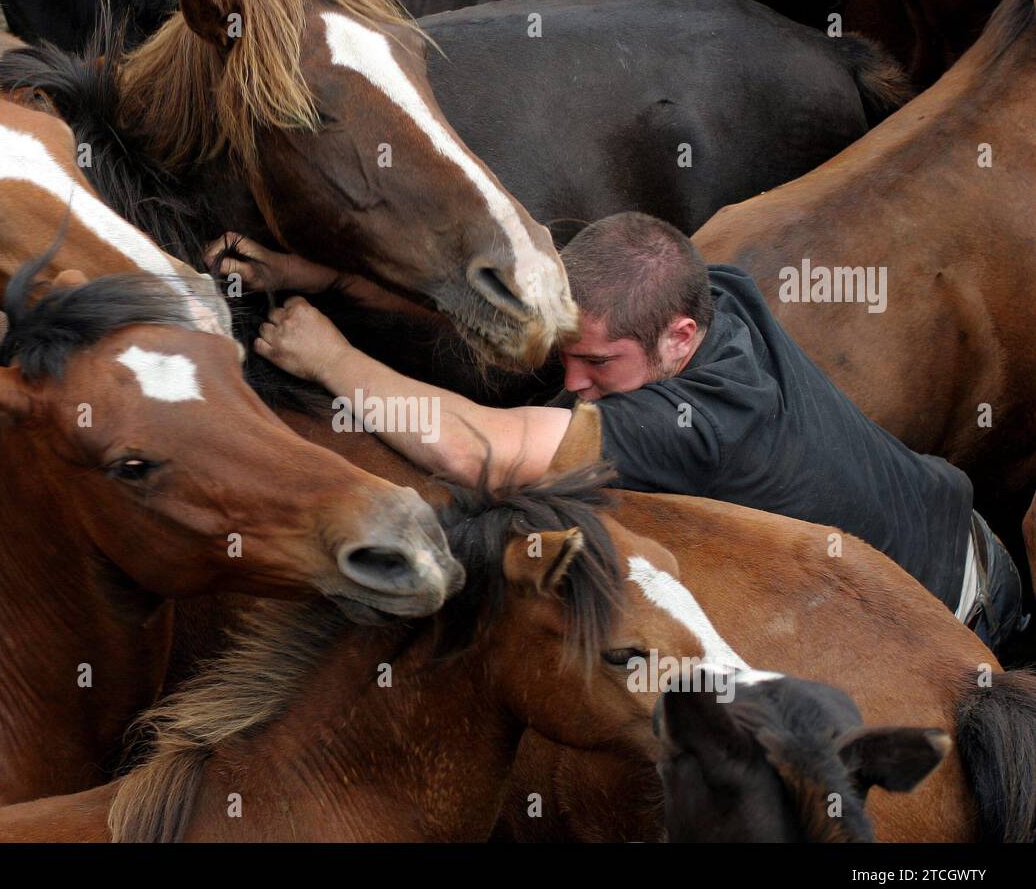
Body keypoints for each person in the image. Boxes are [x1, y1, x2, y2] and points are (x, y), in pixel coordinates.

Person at [205, 213, 1027, 653]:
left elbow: (477, 451)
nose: (571, 382)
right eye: (573, 356)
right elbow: (513, 314)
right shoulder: (715, 293)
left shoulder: (700, 425)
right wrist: (330, 277)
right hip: (951, 515)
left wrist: (336, 359)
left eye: (600, 363)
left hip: (962, 612)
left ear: (676, 339)